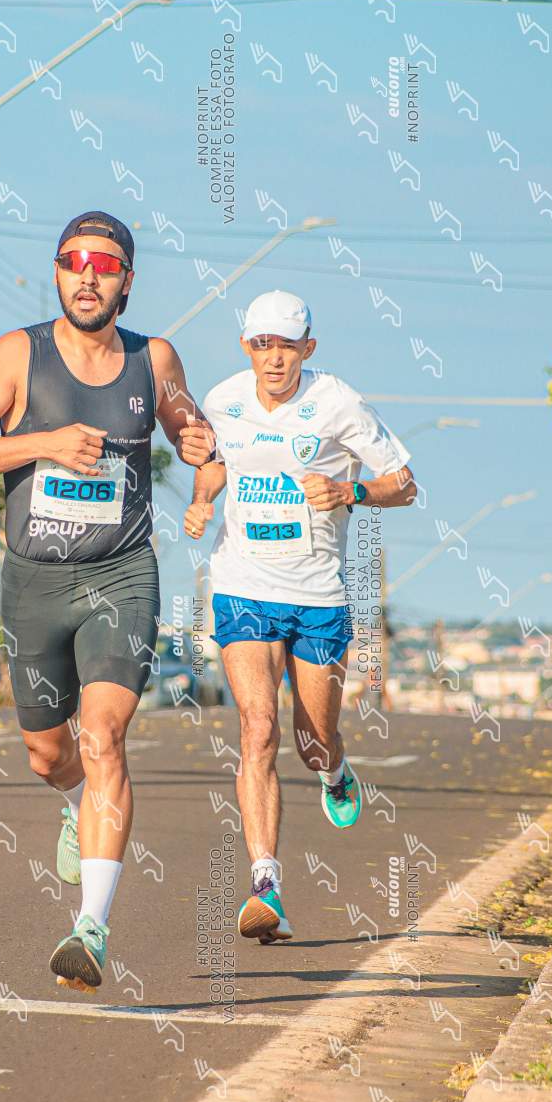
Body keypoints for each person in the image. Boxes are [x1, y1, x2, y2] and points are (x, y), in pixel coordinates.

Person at [0, 210, 214, 989]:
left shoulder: (153, 358)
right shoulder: (17, 355)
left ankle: (90, 928)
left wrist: (199, 444)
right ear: (57, 273)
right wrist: (44, 443)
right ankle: (74, 802)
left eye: (105, 264)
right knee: (48, 754)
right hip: (34, 581)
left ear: (127, 281)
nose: (88, 275)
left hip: (121, 574)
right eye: (73, 261)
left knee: (103, 736)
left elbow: (191, 429)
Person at [184, 290, 416, 944]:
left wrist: (351, 490)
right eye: (262, 345)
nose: (274, 358)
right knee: (257, 728)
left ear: (308, 348)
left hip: (317, 595)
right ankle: (266, 886)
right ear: (246, 347)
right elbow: (215, 465)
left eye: (287, 346)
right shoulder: (224, 400)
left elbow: (405, 483)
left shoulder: (338, 402)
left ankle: (336, 772)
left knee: (312, 742)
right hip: (243, 586)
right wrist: (203, 500)